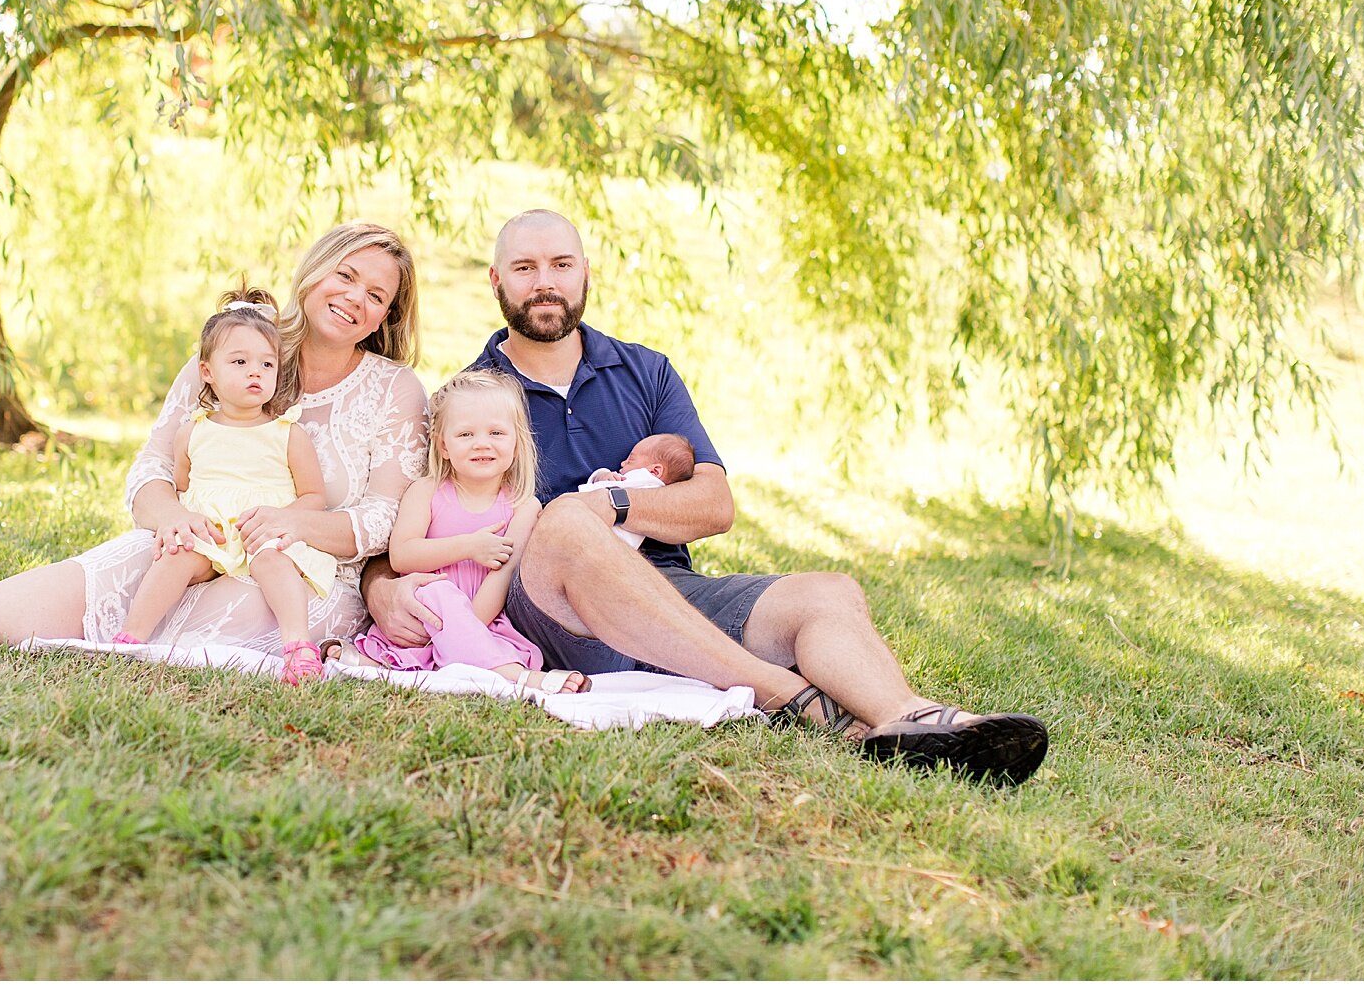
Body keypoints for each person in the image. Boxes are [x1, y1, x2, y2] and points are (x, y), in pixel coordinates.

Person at [363, 209, 1049, 785]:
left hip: (669, 593)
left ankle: (909, 721)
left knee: (828, 592)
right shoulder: (467, 397)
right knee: (566, 521)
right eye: (524, 268)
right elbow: (402, 520)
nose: (545, 282)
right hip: (545, 610)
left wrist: (620, 506)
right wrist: (383, 590)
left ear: (584, 273)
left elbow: (715, 503)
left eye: (561, 264)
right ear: (496, 281)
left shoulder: (646, 371)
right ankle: (787, 695)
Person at [0, 222, 429, 662]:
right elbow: (152, 466)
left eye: (377, 295)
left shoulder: (396, 391)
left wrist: (293, 523)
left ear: (384, 318)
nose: (356, 297)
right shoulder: (236, 346)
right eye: (346, 275)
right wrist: (172, 515)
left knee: (235, 611)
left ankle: (136, 644)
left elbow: (384, 515)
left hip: (304, 569)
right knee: (111, 568)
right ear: (313, 274)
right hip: (195, 541)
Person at [109, 286, 339, 685]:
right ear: (207, 372)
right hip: (213, 530)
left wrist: (283, 520)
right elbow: (182, 488)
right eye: (240, 361)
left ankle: (298, 647)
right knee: (177, 557)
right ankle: (131, 638)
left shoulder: (287, 433)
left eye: (267, 365)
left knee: (274, 561)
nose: (256, 372)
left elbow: (314, 496)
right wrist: (183, 520)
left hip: (261, 529)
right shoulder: (191, 432)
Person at [329, 370, 590, 694]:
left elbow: (503, 577)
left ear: (517, 443)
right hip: (425, 609)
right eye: (466, 434)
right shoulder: (426, 491)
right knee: (438, 591)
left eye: (496, 432)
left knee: (454, 613)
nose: (482, 443)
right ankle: (512, 676)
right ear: (443, 446)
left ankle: (456, 661)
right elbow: (401, 556)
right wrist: (469, 546)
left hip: (483, 617)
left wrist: (465, 628)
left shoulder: (523, 506)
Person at [579, 433, 696, 548]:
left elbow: (600, 493)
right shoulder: (657, 492)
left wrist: (602, 474)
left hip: (598, 539)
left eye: (630, 460)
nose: (622, 463)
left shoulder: (646, 481)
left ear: (655, 471)